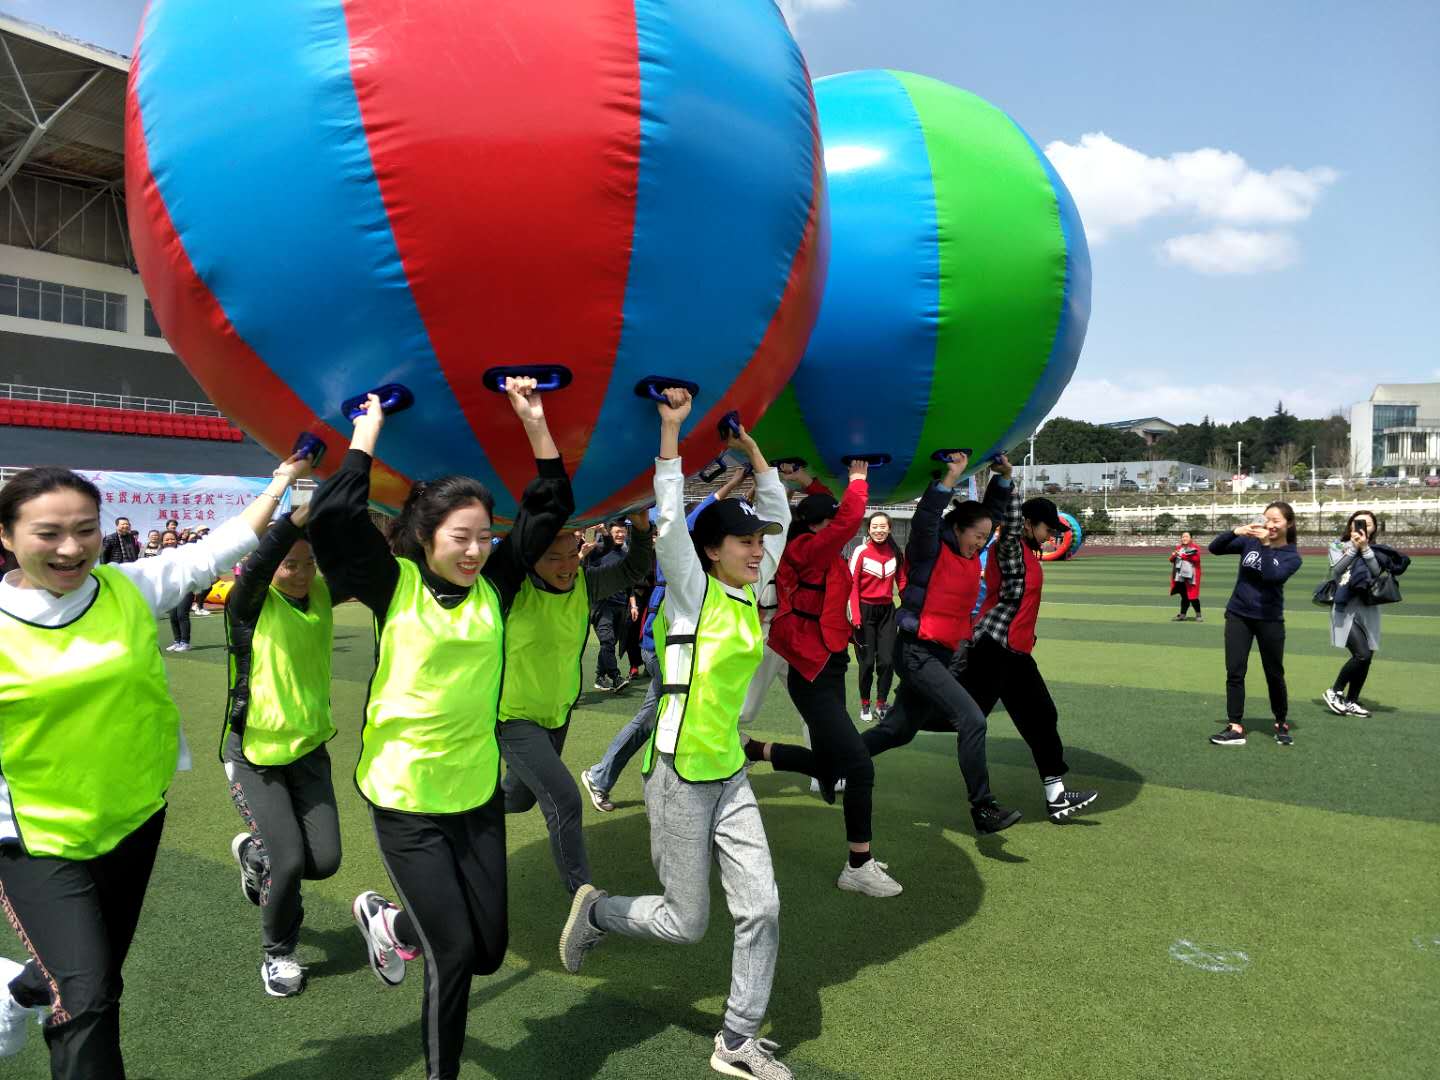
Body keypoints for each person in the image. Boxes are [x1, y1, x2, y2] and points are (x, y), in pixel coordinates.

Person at [0, 454, 307, 1074]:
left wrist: (282, 483)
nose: (71, 548)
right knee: (88, 997)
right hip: (36, 839)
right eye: (49, 533)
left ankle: (18, 992)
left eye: (86, 529)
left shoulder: (124, 588)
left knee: (99, 969)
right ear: (6, 537)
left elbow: (215, 551)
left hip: (134, 816)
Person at [306, 378, 569, 1080]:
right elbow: (335, 513)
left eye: (486, 535)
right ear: (426, 537)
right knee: (454, 958)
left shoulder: (497, 584)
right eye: (462, 537)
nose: (478, 549)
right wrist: (368, 427)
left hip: (476, 793)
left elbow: (551, 507)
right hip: (405, 797)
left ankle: (388, 924)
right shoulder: (393, 583)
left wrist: (534, 419)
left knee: (487, 952)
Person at [559, 388, 797, 1080]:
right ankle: (599, 913)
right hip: (677, 776)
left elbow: (778, 518)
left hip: (727, 772)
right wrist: (671, 433)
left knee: (764, 906)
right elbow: (667, 523)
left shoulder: (751, 586)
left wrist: (756, 459)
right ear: (713, 550)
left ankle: (736, 1040)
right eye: (745, 542)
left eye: (759, 542)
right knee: (684, 922)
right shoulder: (691, 588)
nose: (758, 550)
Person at [745, 458, 907, 898]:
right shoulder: (806, 550)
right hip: (810, 671)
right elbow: (848, 514)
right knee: (859, 767)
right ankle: (859, 864)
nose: (844, 528)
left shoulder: (818, 543)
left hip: (830, 664)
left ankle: (753, 750)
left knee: (833, 764)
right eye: (832, 522)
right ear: (821, 526)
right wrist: (858, 478)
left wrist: (805, 480)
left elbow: (832, 512)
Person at [861, 452, 1024, 834]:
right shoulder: (930, 551)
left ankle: (834, 759)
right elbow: (926, 519)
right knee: (972, 719)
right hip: (916, 652)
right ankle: (983, 808)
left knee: (898, 731)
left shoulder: (971, 552)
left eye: (985, 538)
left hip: (942, 654)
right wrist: (950, 477)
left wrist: (1002, 478)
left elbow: (992, 516)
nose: (981, 543)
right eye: (978, 537)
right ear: (959, 530)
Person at [222, 499, 344, 998]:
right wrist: (293, 516)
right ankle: (278, 952)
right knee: (290, 862)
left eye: (307, 563)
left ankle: (254, 856)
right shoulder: (248, 603)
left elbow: (353, 556)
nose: (299, 573)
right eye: (288, 564)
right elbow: (257, 565)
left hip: (309, 751)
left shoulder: (318, 593)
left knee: (325, 862)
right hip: (254, 756)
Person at [497, 513, 652, 897]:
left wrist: (642, 529)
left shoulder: (585, 582)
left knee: (517, 800)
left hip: (557, 714)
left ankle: (461, 809)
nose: (566, 565)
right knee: (564, 800)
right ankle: (584, 898)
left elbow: (634, 567)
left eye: (572, 554)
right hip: (512, 717)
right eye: (553, 557)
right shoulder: (509, 590)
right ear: (530, 557)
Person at [579, 468, 748, 814]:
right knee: (658, 717)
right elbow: (710, 504)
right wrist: (739, 479)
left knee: (654, 717)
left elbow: (721, 511)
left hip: (668, 644)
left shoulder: (690, 549)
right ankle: (630, 778)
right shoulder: (680, 543)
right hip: (663, 646)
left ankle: (606, 776)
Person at [961, 464, 1099, 820]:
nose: (1052, 534)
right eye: (1048, 527)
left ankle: (1056, 795)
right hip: (993, 647)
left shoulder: (1028, 552)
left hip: (1014, 652)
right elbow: (1010, 516)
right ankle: (855, 754)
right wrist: (1008, 477)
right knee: (940, 719)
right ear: (1029, 523)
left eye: (1055, 530)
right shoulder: (1009, 547)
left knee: (1040, 716)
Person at [1207, 502, 1302, 746]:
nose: (1270, 524)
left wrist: (1267, 546)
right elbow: (1214, 548)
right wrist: (1234, 532)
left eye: (1276, 521)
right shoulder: (1249, 542)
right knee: (1235, 671)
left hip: (1269, 619)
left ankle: (1281, 721)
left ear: (1288, 524)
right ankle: (1235, 725)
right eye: (1267, 519)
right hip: (1239, 614)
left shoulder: (1292, 556)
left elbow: (1272, 576)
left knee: (1274, 673)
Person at [1323, 510, 1409, 718]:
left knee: (1367, 656)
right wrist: (1354, 548)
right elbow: (1336, 571)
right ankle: (1334, 691)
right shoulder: (1337, 546)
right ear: (1350, 526)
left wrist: (1365, 548)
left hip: (1368, 606)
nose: (1362, 527)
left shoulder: (1377, 550)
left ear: (1374, 528)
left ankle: (1352, 701)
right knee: (1361, 653)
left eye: (1368, 524)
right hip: (1345, 606)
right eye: (1358, 523)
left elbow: (1375, 571)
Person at [849, 511, 905, 722]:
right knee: (866, 663)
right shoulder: (860, 552)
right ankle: (865, 704)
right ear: (868, 529)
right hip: (864, 612)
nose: (879, 530)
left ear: (889, 529)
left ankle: (881, 703)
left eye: (883, 527)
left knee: (887, 661)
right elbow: (851, 585)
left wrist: (908, 605)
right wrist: (855, 615)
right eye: (875, 527)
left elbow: (902, 581)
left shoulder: (895, 552)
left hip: (887, 612)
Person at [586, 521, 634, 691]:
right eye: (616, 532)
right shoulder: (599, 550)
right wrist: (600, 531)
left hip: (620, 604)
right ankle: (616, 677)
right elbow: (603, 545)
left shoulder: (625, 554)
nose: (620, 535)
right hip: (602, 605)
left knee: (610, 643)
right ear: (610, 534)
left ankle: (600, 676)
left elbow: (629, 582)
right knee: (607, 640)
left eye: (622, 532)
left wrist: (632, 604)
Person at [1169, 531, 1203, 620]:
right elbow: (1172, 560)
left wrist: (1182, 555)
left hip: (1192, 576)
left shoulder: (1195, 548)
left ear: (1191, 538)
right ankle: (1182, 615)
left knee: (1193, 596)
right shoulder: (1179, 547)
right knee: (1184, 595)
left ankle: (1198, 615)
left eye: (1186, 536)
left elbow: (1196, 559)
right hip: (1180, 575)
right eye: (1183, 537)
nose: (1184, 538)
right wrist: (1174, 556)